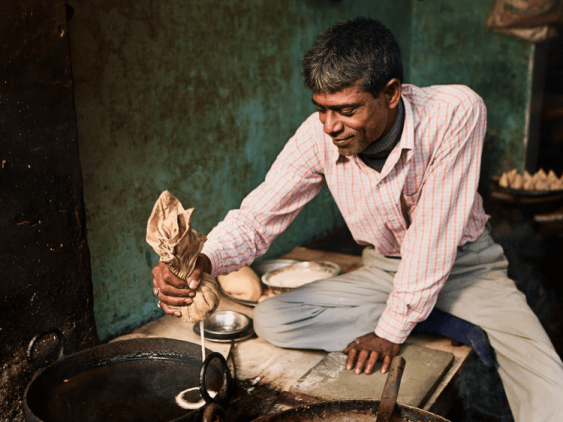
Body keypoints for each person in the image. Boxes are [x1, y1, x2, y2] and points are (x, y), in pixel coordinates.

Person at [152, 17, 563, 422]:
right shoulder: (318, 135)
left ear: (391, 93)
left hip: (467, 266)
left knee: (549, 389)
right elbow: (258, 217)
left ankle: (422, 314)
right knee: (274, 319)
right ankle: (430, 316)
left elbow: (433, 239)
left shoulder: (455, 112)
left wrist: (388, 333)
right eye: (321, 110)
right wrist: (203, 262)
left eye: (346, 110)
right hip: (384, 270)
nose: (330, 126)